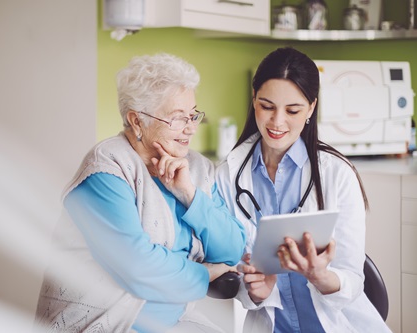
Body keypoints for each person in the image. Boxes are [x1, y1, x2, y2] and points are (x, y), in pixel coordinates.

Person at [34, 53, 246, 333]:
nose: (191, 128)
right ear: (137, 121)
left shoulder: (196, 168)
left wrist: (189, 195)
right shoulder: (106, 169)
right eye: (178, 118)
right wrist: (205, 274)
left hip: (172, 319)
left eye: (193, 114)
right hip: (108, 322)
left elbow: (232, 249)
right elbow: (138, 267)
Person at [215, 47, 391, 332]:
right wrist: (257, 291)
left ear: (311, 108)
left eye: (293, 110)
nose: (277, 122)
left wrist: (320, 276)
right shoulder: (229, 173)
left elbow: (352, 280)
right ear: (254, 100)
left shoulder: (337, 174)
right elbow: (232, 269)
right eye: (267, 106)